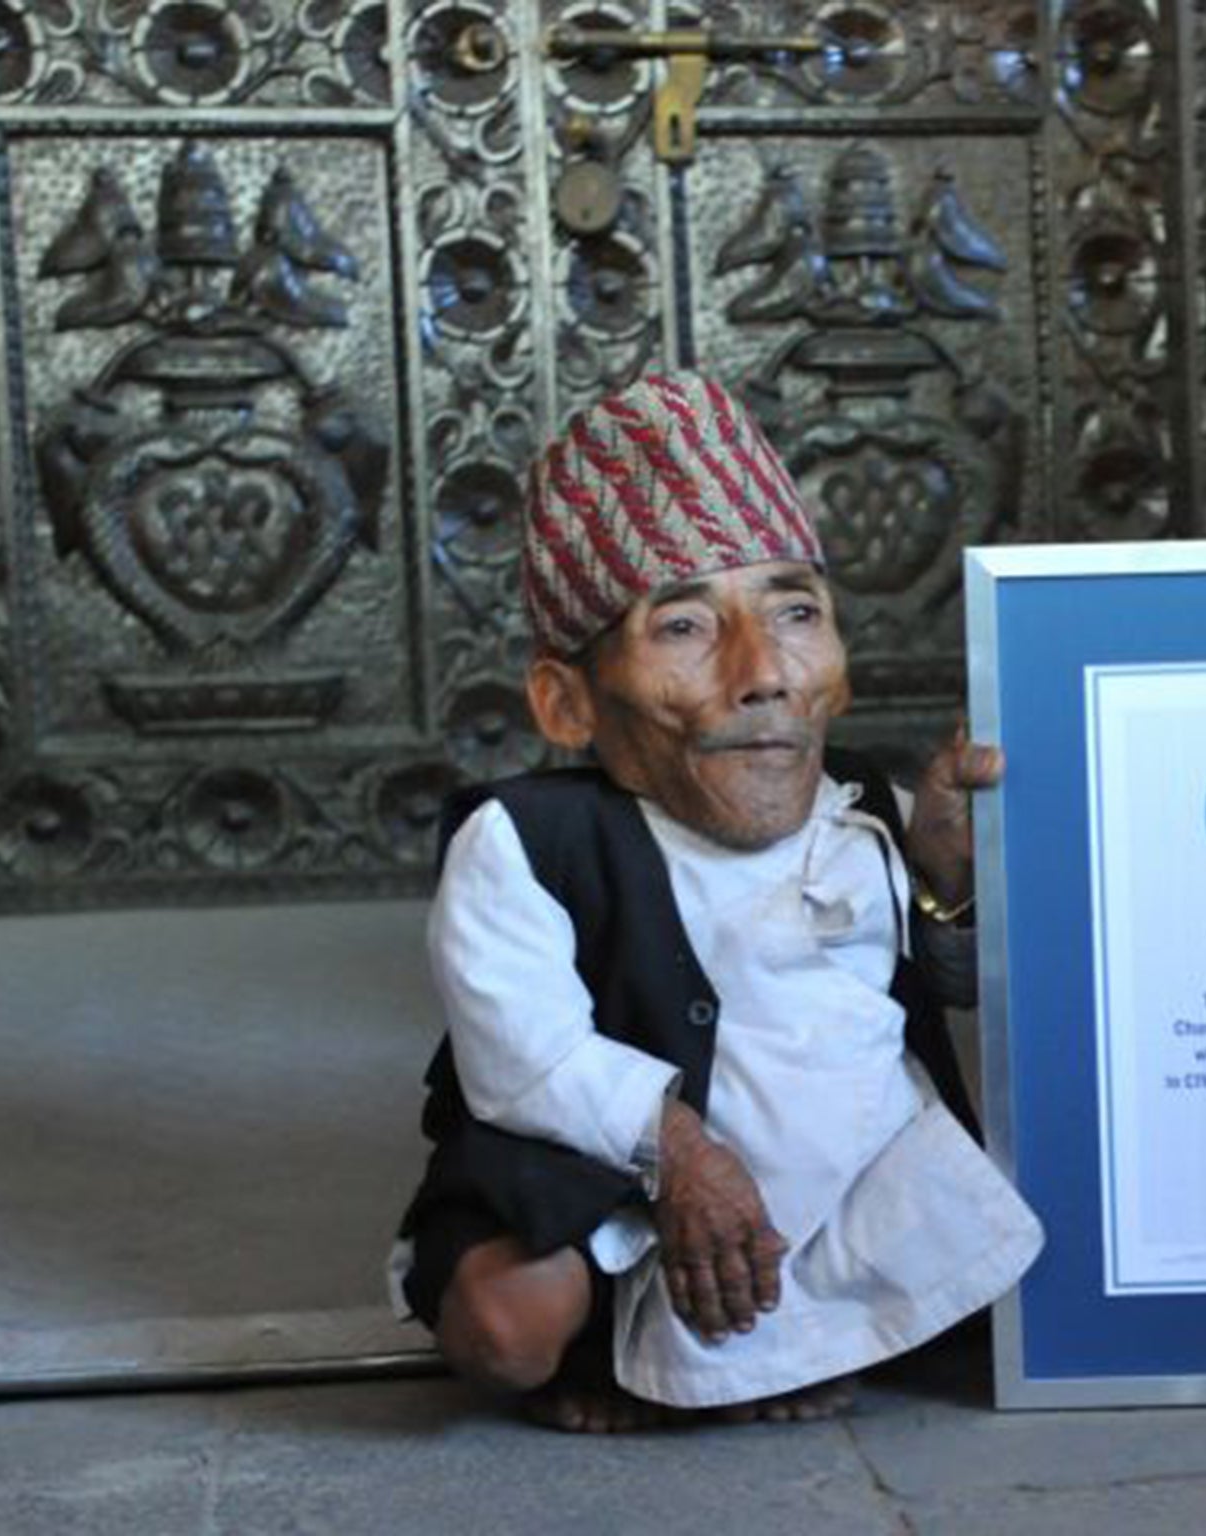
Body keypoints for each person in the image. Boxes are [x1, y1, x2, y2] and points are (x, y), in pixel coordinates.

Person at [388, 371, 1043, 1429]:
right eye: (685, 628)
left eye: (793, 612)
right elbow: (524, 1061)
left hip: (840, 1166)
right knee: (505, 1325)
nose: (762, 673)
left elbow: (952, 988)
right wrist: (681, 1154)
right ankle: (608, 1350)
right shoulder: (523, 842)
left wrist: (946, 882)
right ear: (566, 703)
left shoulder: (868, 809)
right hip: (615, 1167)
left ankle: (779, 1340)